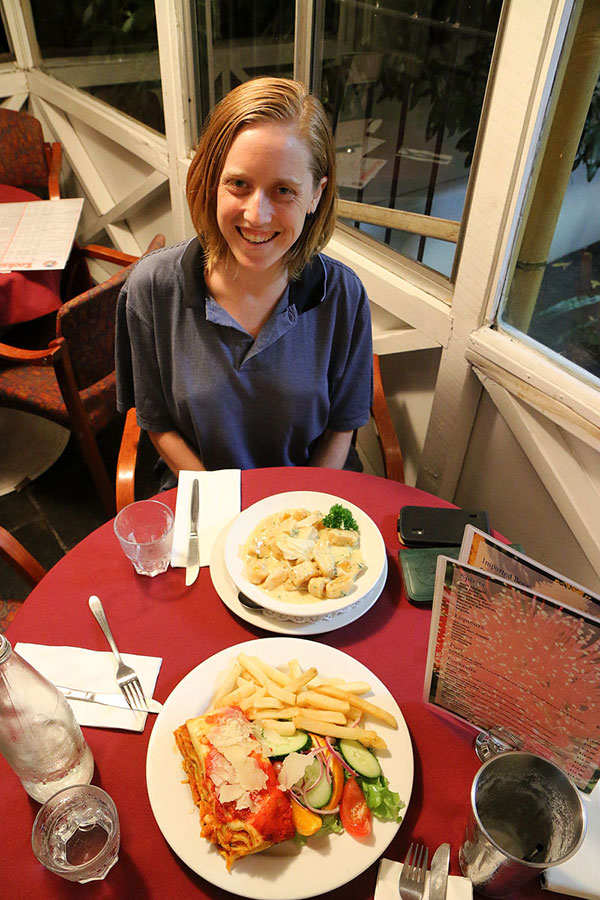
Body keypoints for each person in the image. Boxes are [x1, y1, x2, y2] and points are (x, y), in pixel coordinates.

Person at [116, 77, 373, 488]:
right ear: (212, 180)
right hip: (202, 494)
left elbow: (342, 428)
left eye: (284, 190)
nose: (256, 215)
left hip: (308, 503)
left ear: (315, 196)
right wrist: (227, 512)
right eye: (239, 184)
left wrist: (291, 519)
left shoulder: (344, 297)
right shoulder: (151, 288)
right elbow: (158, 423)